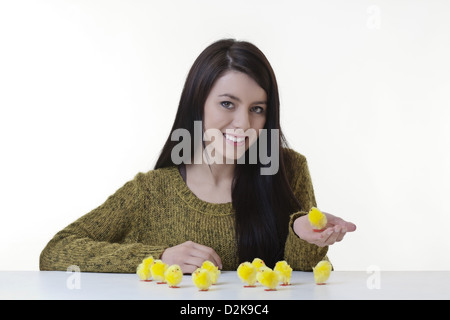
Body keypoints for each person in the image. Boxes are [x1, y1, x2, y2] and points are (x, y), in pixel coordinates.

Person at [40, 39, 356, 274]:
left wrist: (302, 237)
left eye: (257, 109)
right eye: (227, 104)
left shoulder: (290, 170)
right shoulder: (150, 192)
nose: (243, 124)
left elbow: (307, 280)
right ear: (198, 104)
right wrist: (160, 258)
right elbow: (56, 252)